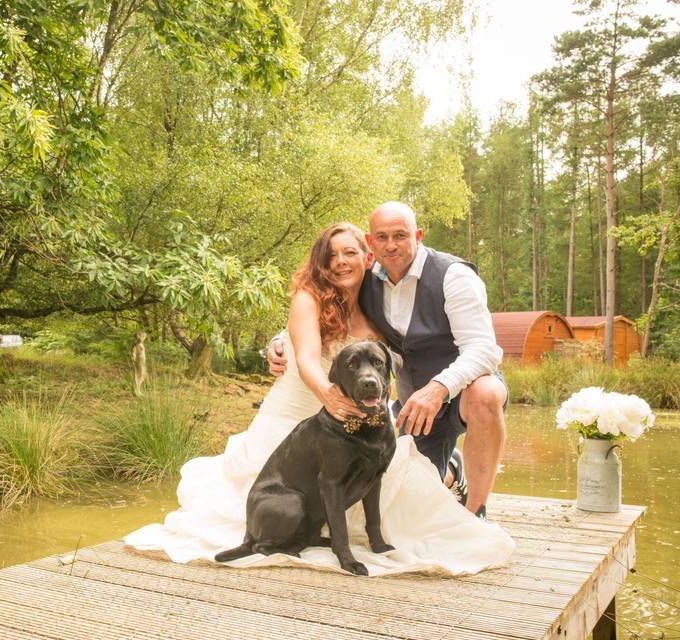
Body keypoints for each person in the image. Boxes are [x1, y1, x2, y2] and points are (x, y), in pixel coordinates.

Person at [125, 222, 514, 575]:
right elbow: (309, 356)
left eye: (350, 253)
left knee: (401, 493)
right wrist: (318, 386)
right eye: (331, 256)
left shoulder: (378, 296)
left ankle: (452, 475)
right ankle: (445, 471)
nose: (341, 262)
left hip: (361, 421)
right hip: (302, 413)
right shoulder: (308, 298)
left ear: (368, 256)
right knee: (261, 505)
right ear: (320, 263)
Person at [267, 202, 507, 519]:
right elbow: (322, 319)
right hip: (412, 405)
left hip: (458, 391)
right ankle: (450, 470)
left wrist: (437, 389)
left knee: (486, 392)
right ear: (372, 245)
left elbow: (483, 348)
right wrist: (277, 343)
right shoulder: (368, 281)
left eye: (400, 235)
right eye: (382, 237)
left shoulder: (453, 276)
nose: (391, 245)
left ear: (417, 235)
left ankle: (476, 512)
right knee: (405, 505)